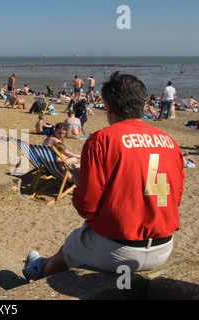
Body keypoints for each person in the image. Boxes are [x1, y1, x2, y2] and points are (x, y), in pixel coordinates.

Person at [23, 71, 184, 281]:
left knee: (72, 245)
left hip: (118, 249)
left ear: (107, 106)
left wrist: (82, 185)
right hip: (163, 246)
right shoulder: (170, 142)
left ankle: (38, 270)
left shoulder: (102, 140)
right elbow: (175, 198)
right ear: (143, 104)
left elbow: (86, 208)